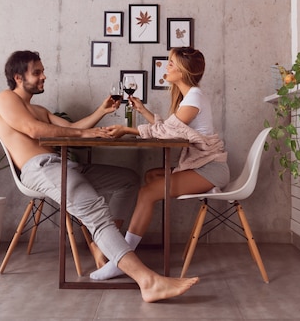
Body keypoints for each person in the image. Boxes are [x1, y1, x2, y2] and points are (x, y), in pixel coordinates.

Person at [0, 50, 199, 302]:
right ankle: (148, 281)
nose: (43, 76)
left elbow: (70, 129)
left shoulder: (38, 108)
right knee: (95, 210)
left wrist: (101, 112)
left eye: (42, 71)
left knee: (128, 179)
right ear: (17, 77)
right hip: (40, 169)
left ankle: (104, 244)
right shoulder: (5, 99)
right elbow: (34, 131)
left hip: (61, 165)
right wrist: (85, 136)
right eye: (37, 72)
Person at [92, 47, 229, 281]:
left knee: (147, 193)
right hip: (202, 166)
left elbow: (166, 132)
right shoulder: (190, 97)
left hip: (211, 169)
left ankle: (121, 259)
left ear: (184, 70)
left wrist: (126, 129)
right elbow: (170, 127)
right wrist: (143, 111)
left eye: (171, 64)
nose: (167, 67)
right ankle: (119, 246)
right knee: (152, 176)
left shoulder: (194, 97)